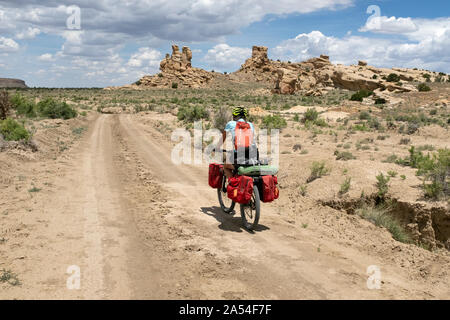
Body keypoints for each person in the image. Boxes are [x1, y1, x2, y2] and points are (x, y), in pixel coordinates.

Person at [217, 106, 258, 178]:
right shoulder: (250, 124)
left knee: (226, 166)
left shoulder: (230, 124)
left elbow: (223, 137)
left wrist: (217, 147)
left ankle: (232, 183)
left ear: (235, 116)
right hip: (253, 152)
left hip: (239, 153)